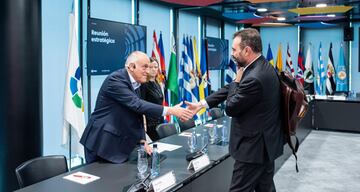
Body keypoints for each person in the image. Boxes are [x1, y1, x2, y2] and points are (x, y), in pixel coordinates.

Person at [186, 28, 283, 192]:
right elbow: (229, 89)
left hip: (252, 149)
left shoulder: (254, 77)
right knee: (265, 188)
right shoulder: (262, 66)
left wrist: (236, 82)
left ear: (247, 50)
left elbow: (231, 107)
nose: (232, 53)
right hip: (265, 144)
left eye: (234, 49)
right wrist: (202, 104)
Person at [80, 51, 193, 164]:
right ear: (132, 67)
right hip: (102, 142)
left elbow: (137, 114)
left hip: (118, 142)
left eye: (149, 67)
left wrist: (142, 140)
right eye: (145, 67)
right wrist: (171, 110)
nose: (148, 71)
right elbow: (138, 105)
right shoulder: (115, 80)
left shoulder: (137, 83)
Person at [141, 57, 164, 141]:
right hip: (149, 123)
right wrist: (144, 123)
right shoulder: (143, 85)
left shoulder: (157, 83)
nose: (154, 69)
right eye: (151, 67)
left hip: (160, 119)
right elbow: (141, 105)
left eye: (156, 67)